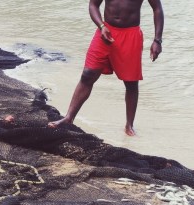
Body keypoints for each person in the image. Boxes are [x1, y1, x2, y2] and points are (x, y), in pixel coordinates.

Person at [48, 0, 164, 136]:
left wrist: (157, 40)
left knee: (131, 83)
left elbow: (157, 9)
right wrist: (101, 26)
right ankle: (69, 117)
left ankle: (129, 125)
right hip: (105, 31)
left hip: (130, 34)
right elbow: (93, 5)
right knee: (87, 74)